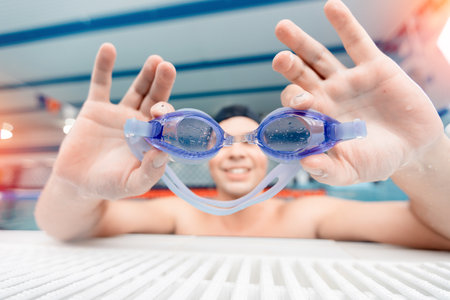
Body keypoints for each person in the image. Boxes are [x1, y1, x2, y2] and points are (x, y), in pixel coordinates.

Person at [35, 0, 450, 249]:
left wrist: (422, 153)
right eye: (221, 142)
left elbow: (441, 233)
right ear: (208, 160)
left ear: (271, 155)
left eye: (250, 142)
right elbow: (64, 229)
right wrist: (72, 183)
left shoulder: (311, 217)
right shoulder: (178, 216)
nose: (235, 150)